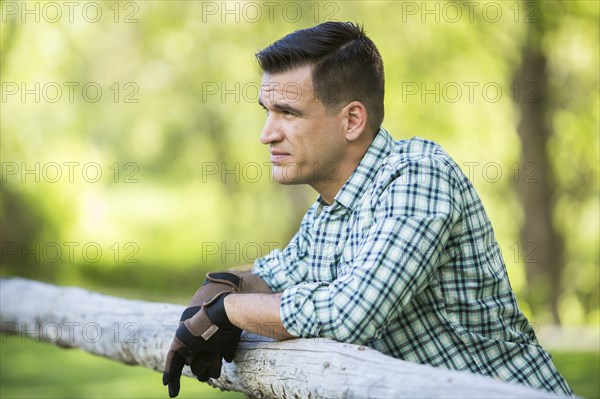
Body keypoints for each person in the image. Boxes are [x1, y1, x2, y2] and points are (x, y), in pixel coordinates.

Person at [163, 21, 573, 397]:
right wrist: (215, 290)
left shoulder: (418, 176)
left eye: (287, 112)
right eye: (267, 112)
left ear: (353, 120)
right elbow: (269, 277)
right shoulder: (328, 213)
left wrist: (229, 310)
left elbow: (351, 312)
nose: (266, 134)